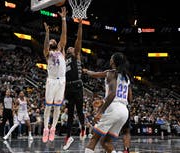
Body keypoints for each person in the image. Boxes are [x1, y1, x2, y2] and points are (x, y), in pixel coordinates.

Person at [83, 52, 132, 153]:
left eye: (111, 58)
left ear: (113, 61)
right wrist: (87, 71)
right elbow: (130, 99)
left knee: (94, 139)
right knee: (106, 142)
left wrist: (100, 111)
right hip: (124, 111)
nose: (110, 60)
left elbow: (113, 93)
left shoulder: (111, 73)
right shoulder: (126, 77)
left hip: (113, 108)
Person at [42, 6, 67, 143]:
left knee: (57, 107)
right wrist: (47, 33)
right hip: (51, 81)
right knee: (48, 106)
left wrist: (63, 19)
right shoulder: (48, 54)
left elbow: (64, 36)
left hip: (61, 81)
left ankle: (53, 128)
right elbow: (45, 47)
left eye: (53, 39)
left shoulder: (61, 50)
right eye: (50, 40)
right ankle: (46, 128)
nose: (52, 40)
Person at [63, 18, 86, 150]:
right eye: (69, 47)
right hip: (68, 87)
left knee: (79, 110)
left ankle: (83, 127)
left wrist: (80, 26)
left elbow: (79, 40)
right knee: (70, 114)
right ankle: (68, 137)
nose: (70, 47)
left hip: (77, 85)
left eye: (71, 47)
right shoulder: (64, 59)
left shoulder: (76, 55)